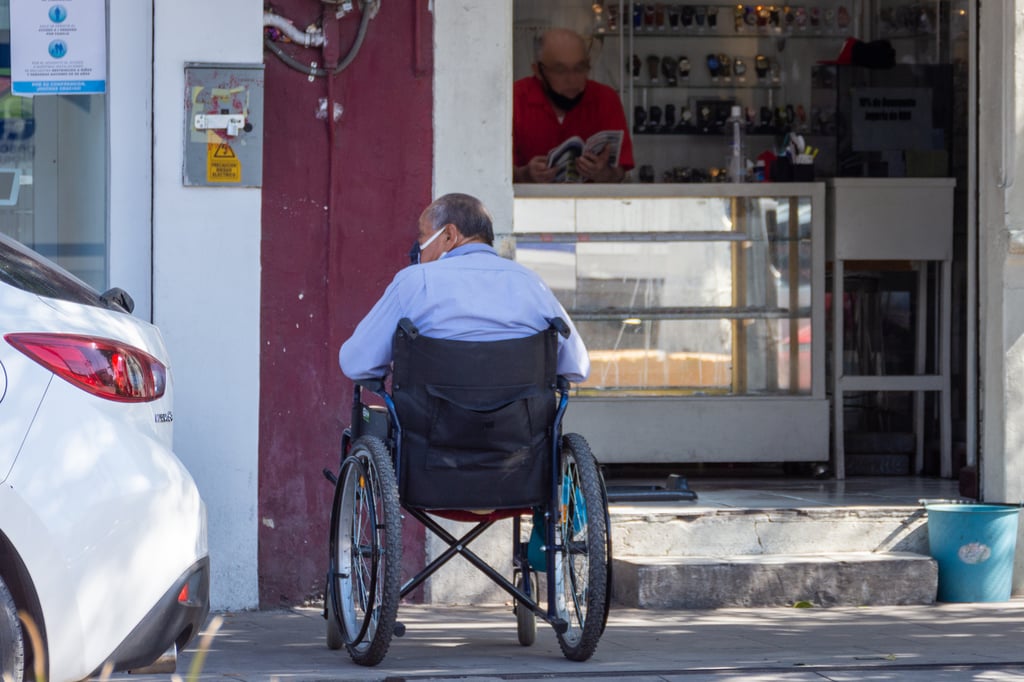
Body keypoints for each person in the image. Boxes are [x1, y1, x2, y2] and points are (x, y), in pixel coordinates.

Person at [338, 193, 589, 383]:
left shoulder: (413, 282)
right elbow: (577, 367)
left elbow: (356, 362)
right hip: (520, 434)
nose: (419, 248)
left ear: (449, 235)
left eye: (423, 237)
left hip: (431, 435)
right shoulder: (531, 283)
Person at [513, 27, 634, 184]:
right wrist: (525, 175)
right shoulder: (513, 98)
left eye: (580, 68)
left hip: (590, 206)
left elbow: (620, 173)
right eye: (560, 70)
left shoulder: (605, 98)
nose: (572, 80)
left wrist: (603, 173)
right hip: (526, 206)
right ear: (537, 71)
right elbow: (491, 169)